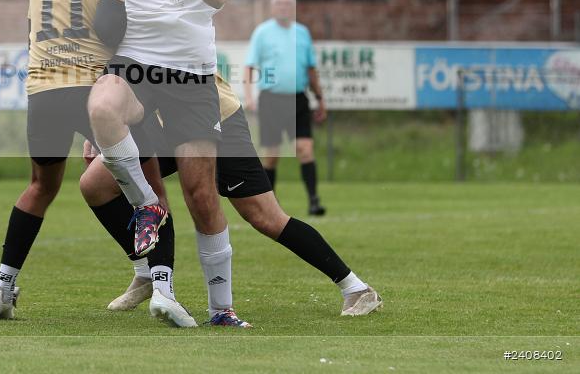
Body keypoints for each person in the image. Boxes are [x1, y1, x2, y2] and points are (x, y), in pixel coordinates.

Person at [0, 0, 189, 325]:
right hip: (93, 90)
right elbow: (115, 34)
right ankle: (162, 289)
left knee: (40, 187)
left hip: (42, 90)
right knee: (150, 190)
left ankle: (2, 287)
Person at [87, 0, 250, 327]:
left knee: (202, 195)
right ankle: (148, 205)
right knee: (100, 108)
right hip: (135, 61)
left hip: (191, 74)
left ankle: (222, 310)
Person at [81, 74, 383, 317]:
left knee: (264, 216)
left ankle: (355, 287)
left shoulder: (165, 4)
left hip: (213, 114)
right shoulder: (116, 4)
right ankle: (146, 272)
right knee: (95, 184)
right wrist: (99, 129)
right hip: (157, 122)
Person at [244, 0, 328, 216]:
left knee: (305, 149)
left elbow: (311, 69)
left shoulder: (302, 33)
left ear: (293, 7)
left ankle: (313, 200)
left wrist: (320, 98)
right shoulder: (262, 33)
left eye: (287, 3)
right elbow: (249, 66)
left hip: (299, 99)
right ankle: (270, 205)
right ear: (272, 8)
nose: (283, 7)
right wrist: (249, 96)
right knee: (272, 155)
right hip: (272, 99)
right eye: (279, 3)